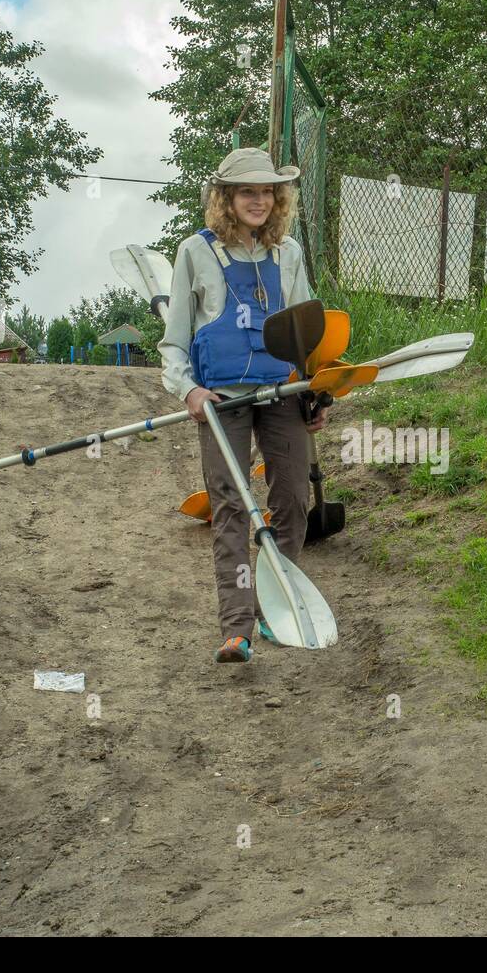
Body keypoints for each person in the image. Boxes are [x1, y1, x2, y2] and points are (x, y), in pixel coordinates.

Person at [159, 147, 329, 663]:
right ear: (226, 198)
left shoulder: (289, 254)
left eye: (267, 191)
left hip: (281, 391)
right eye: (247, 191)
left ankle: (275, 607)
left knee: (295, 501)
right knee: (232, 505)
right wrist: (187, 389)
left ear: (279, 198)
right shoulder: (196, 251)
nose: (259, 200)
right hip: (221, 398)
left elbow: (306, 335)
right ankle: (237, 628)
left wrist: (315, 390)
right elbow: (175, 340)